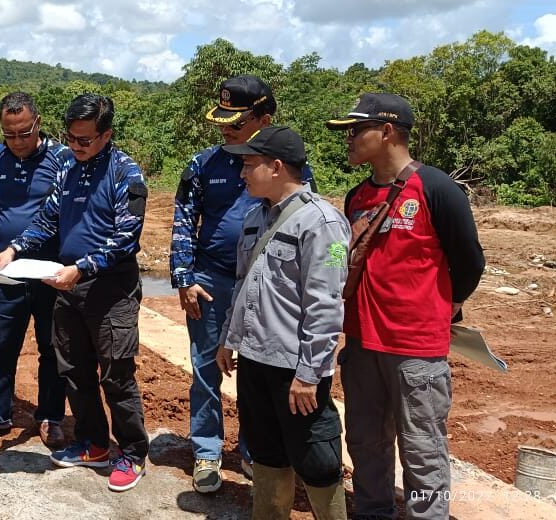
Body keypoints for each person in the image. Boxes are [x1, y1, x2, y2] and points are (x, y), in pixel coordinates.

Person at [327, 93, 485, 519]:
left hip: (416, 350)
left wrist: (444, 308)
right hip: (361, 344)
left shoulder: (436, 188)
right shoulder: (356, 196)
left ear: (388, 131)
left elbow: (470, 261)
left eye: (357, 130)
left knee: (423, 451)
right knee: (364, 441)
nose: (350, 139)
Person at [0, 93, 150, 492]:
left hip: (110, 288)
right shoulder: (68, 168)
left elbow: (126, 238)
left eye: (85, 140)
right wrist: (14, 249)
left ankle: (132, 452)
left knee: (116, 374)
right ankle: (94, 443)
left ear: (106, 134)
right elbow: (48, 219)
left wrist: (82, 268)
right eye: (71, 138)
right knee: (74, 371)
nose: (76, 147)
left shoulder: (125, 172)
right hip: (68, 284)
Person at [170, 75, 315, 493]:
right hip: (210, 281)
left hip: (267, 285)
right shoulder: (203, 164)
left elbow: (306, 221)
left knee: (260, 370)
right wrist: (183, 277)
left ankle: (257, 453)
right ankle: (207, 450)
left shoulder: (286, 165)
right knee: (204, 367)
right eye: (222, 122)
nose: (224, 130)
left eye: (235, 122)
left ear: (264, 118)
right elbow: (183, 220)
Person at [215, 126, 349, 519]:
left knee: (317, 457)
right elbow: (242, 284)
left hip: (295, 368)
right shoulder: (255, 216)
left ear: (276, 167)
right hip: (256, 359)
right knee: (267, 450)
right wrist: (228, 338)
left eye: (248, 164)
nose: (241, 173)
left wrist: (309, 374)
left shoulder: (322, 222)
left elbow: (325, 304)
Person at [0, 92, 72, 449]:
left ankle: (51, 416)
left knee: (52, 347)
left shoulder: (62, 159)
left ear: (38, 122)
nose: (19, 142)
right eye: (11, 135)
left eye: (25, 133)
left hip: (50, 274)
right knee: (0, 346)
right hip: (5, 273)